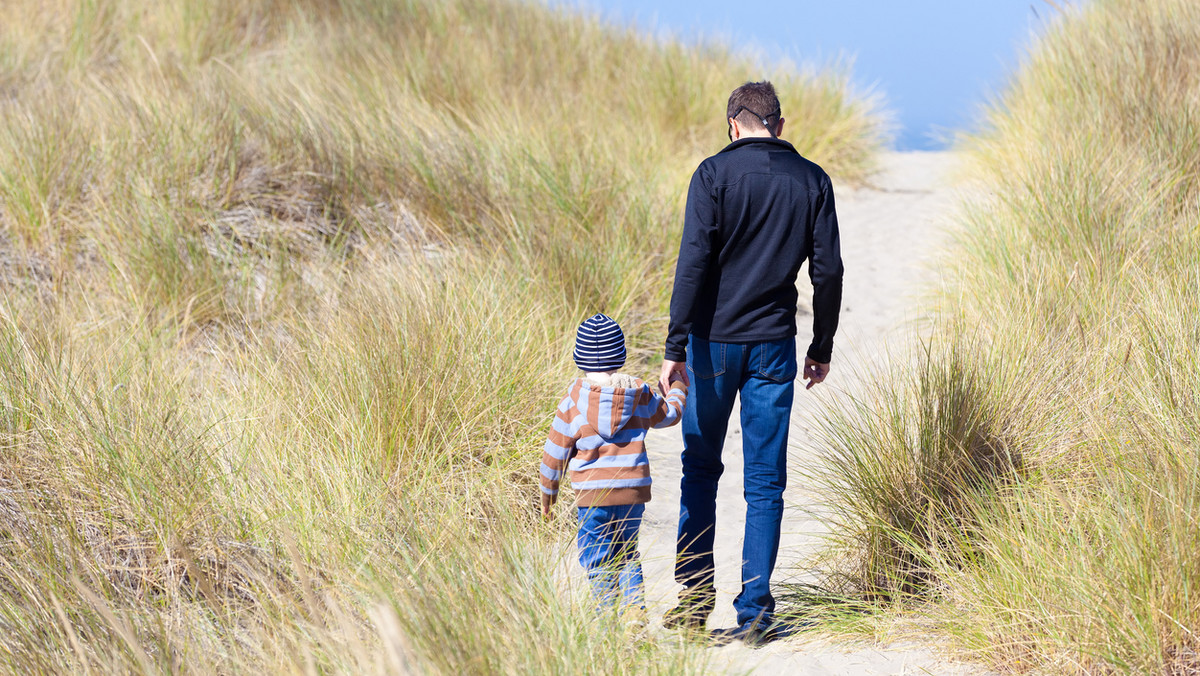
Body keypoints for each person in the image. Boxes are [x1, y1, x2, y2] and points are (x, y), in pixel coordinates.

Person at [658, 81, 843, 642]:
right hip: (772, 346)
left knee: (700, 470)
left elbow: (693, 262)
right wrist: (822, 346)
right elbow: (828, 272)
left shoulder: (712, 174)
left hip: (712, 344)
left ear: (733, 124)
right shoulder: (813, 179)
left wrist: (673, 347)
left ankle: (694, 603)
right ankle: (756, 613)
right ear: (779, 126)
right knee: (765, 482)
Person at [541, 313, 688, 612]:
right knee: (627, 554)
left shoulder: (572, 401)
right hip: (632, 493)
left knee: (597, 559)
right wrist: (677, 388)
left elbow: (554, 455)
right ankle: (634, 612)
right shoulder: (639, 393)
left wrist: (548, 495)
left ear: (579, 360)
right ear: (620, 357)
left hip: (593, 497)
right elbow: (671, 415)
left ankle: (607, 620)